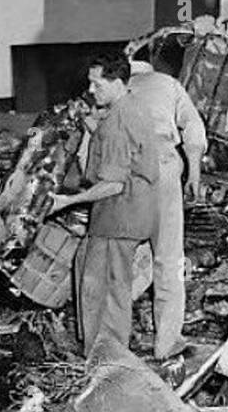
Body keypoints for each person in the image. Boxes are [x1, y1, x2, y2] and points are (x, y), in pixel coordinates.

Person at [48, 54, 159, 364]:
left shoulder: (116, 124)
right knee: (109, 285)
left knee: (102, 292)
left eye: (97, 84)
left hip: (119, 217)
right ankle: (108, 354)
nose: (91, 89)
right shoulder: (132, 107)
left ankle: (103, 360)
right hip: (133, 212)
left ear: (118, 82)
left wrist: (66, 202)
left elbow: (113, 184)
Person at [125, 41, 207, 374]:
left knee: (123, 254)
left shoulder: (112, 88)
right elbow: (194, 129)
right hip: (161, 167)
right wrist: (195, 173)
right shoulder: (167, 84)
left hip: (125, 172)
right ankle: (166, 342)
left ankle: (111, 337)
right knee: (168, 256)